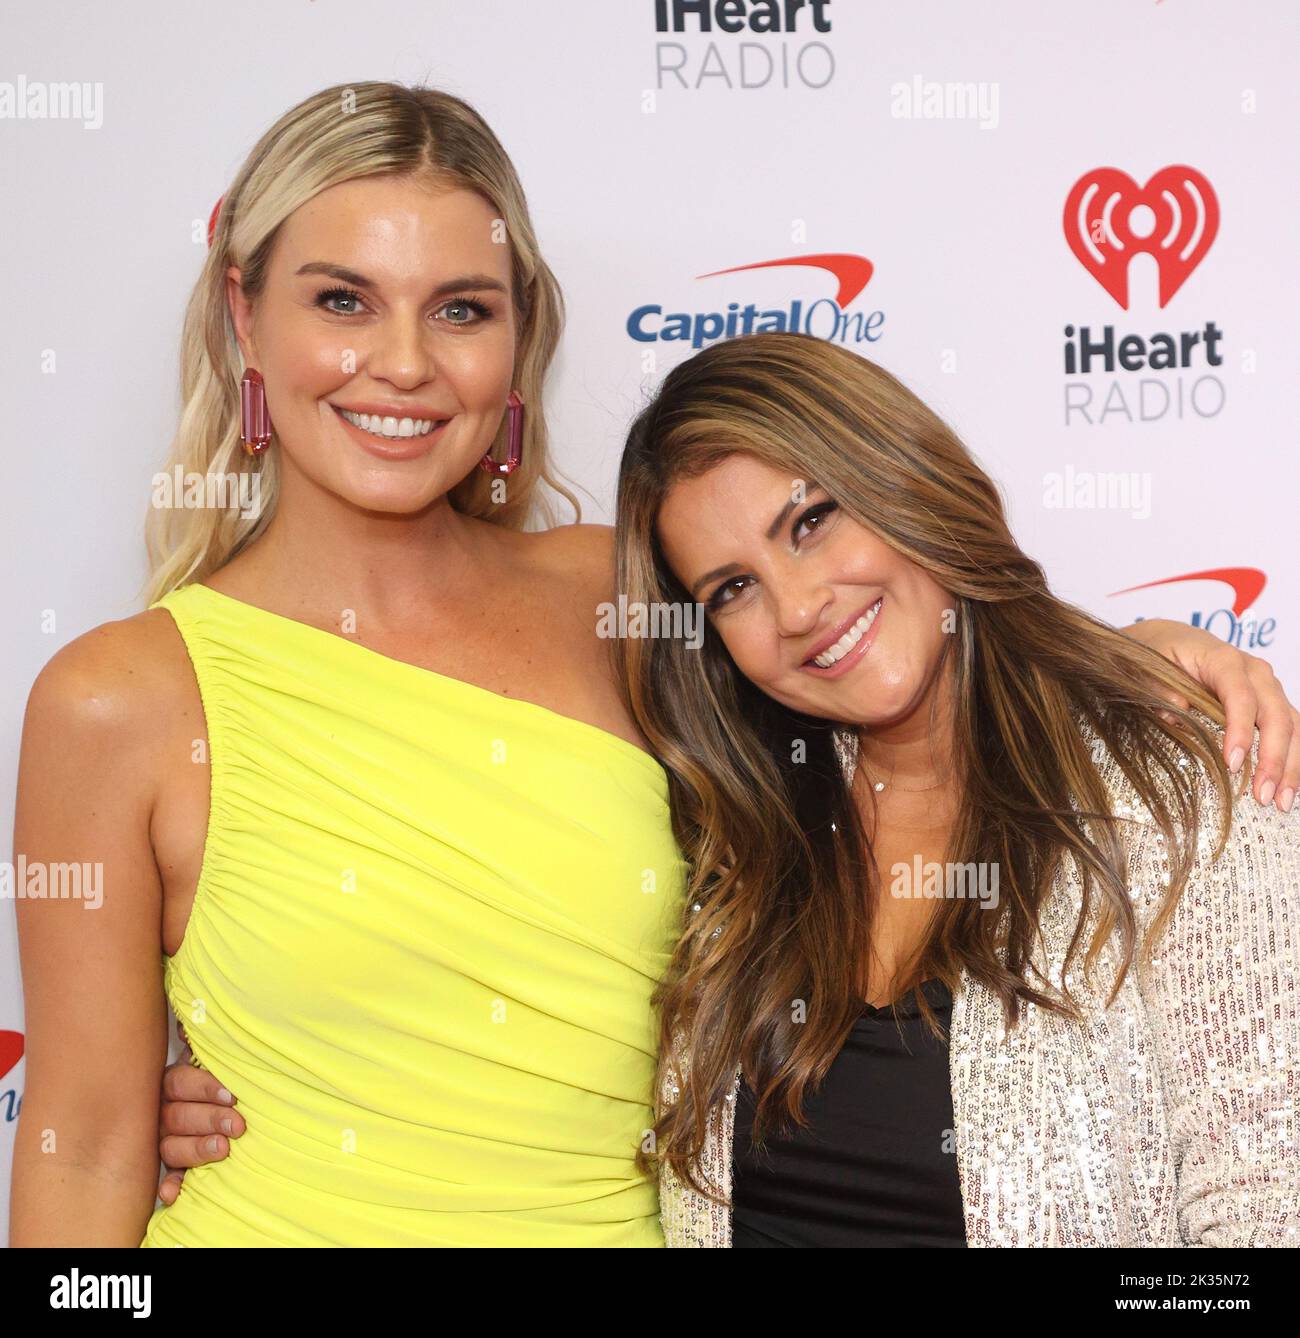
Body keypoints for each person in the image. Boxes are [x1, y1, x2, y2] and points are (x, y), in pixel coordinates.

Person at [61, 83, 1295, 1247]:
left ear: (515, 340)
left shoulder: (621, 602)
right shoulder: (122, 698)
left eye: (460, 308)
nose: (403, 363)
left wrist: (1131, 659)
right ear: (243, 315)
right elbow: (83, 1149)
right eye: (341, 299)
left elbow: (892, 647)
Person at [612, 331, 1300, 1246]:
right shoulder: (739, 838)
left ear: (902, 477)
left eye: (810, 522)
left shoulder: (1180, 794)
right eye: (734, 588)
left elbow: (1263, 1221)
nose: (797, 609)